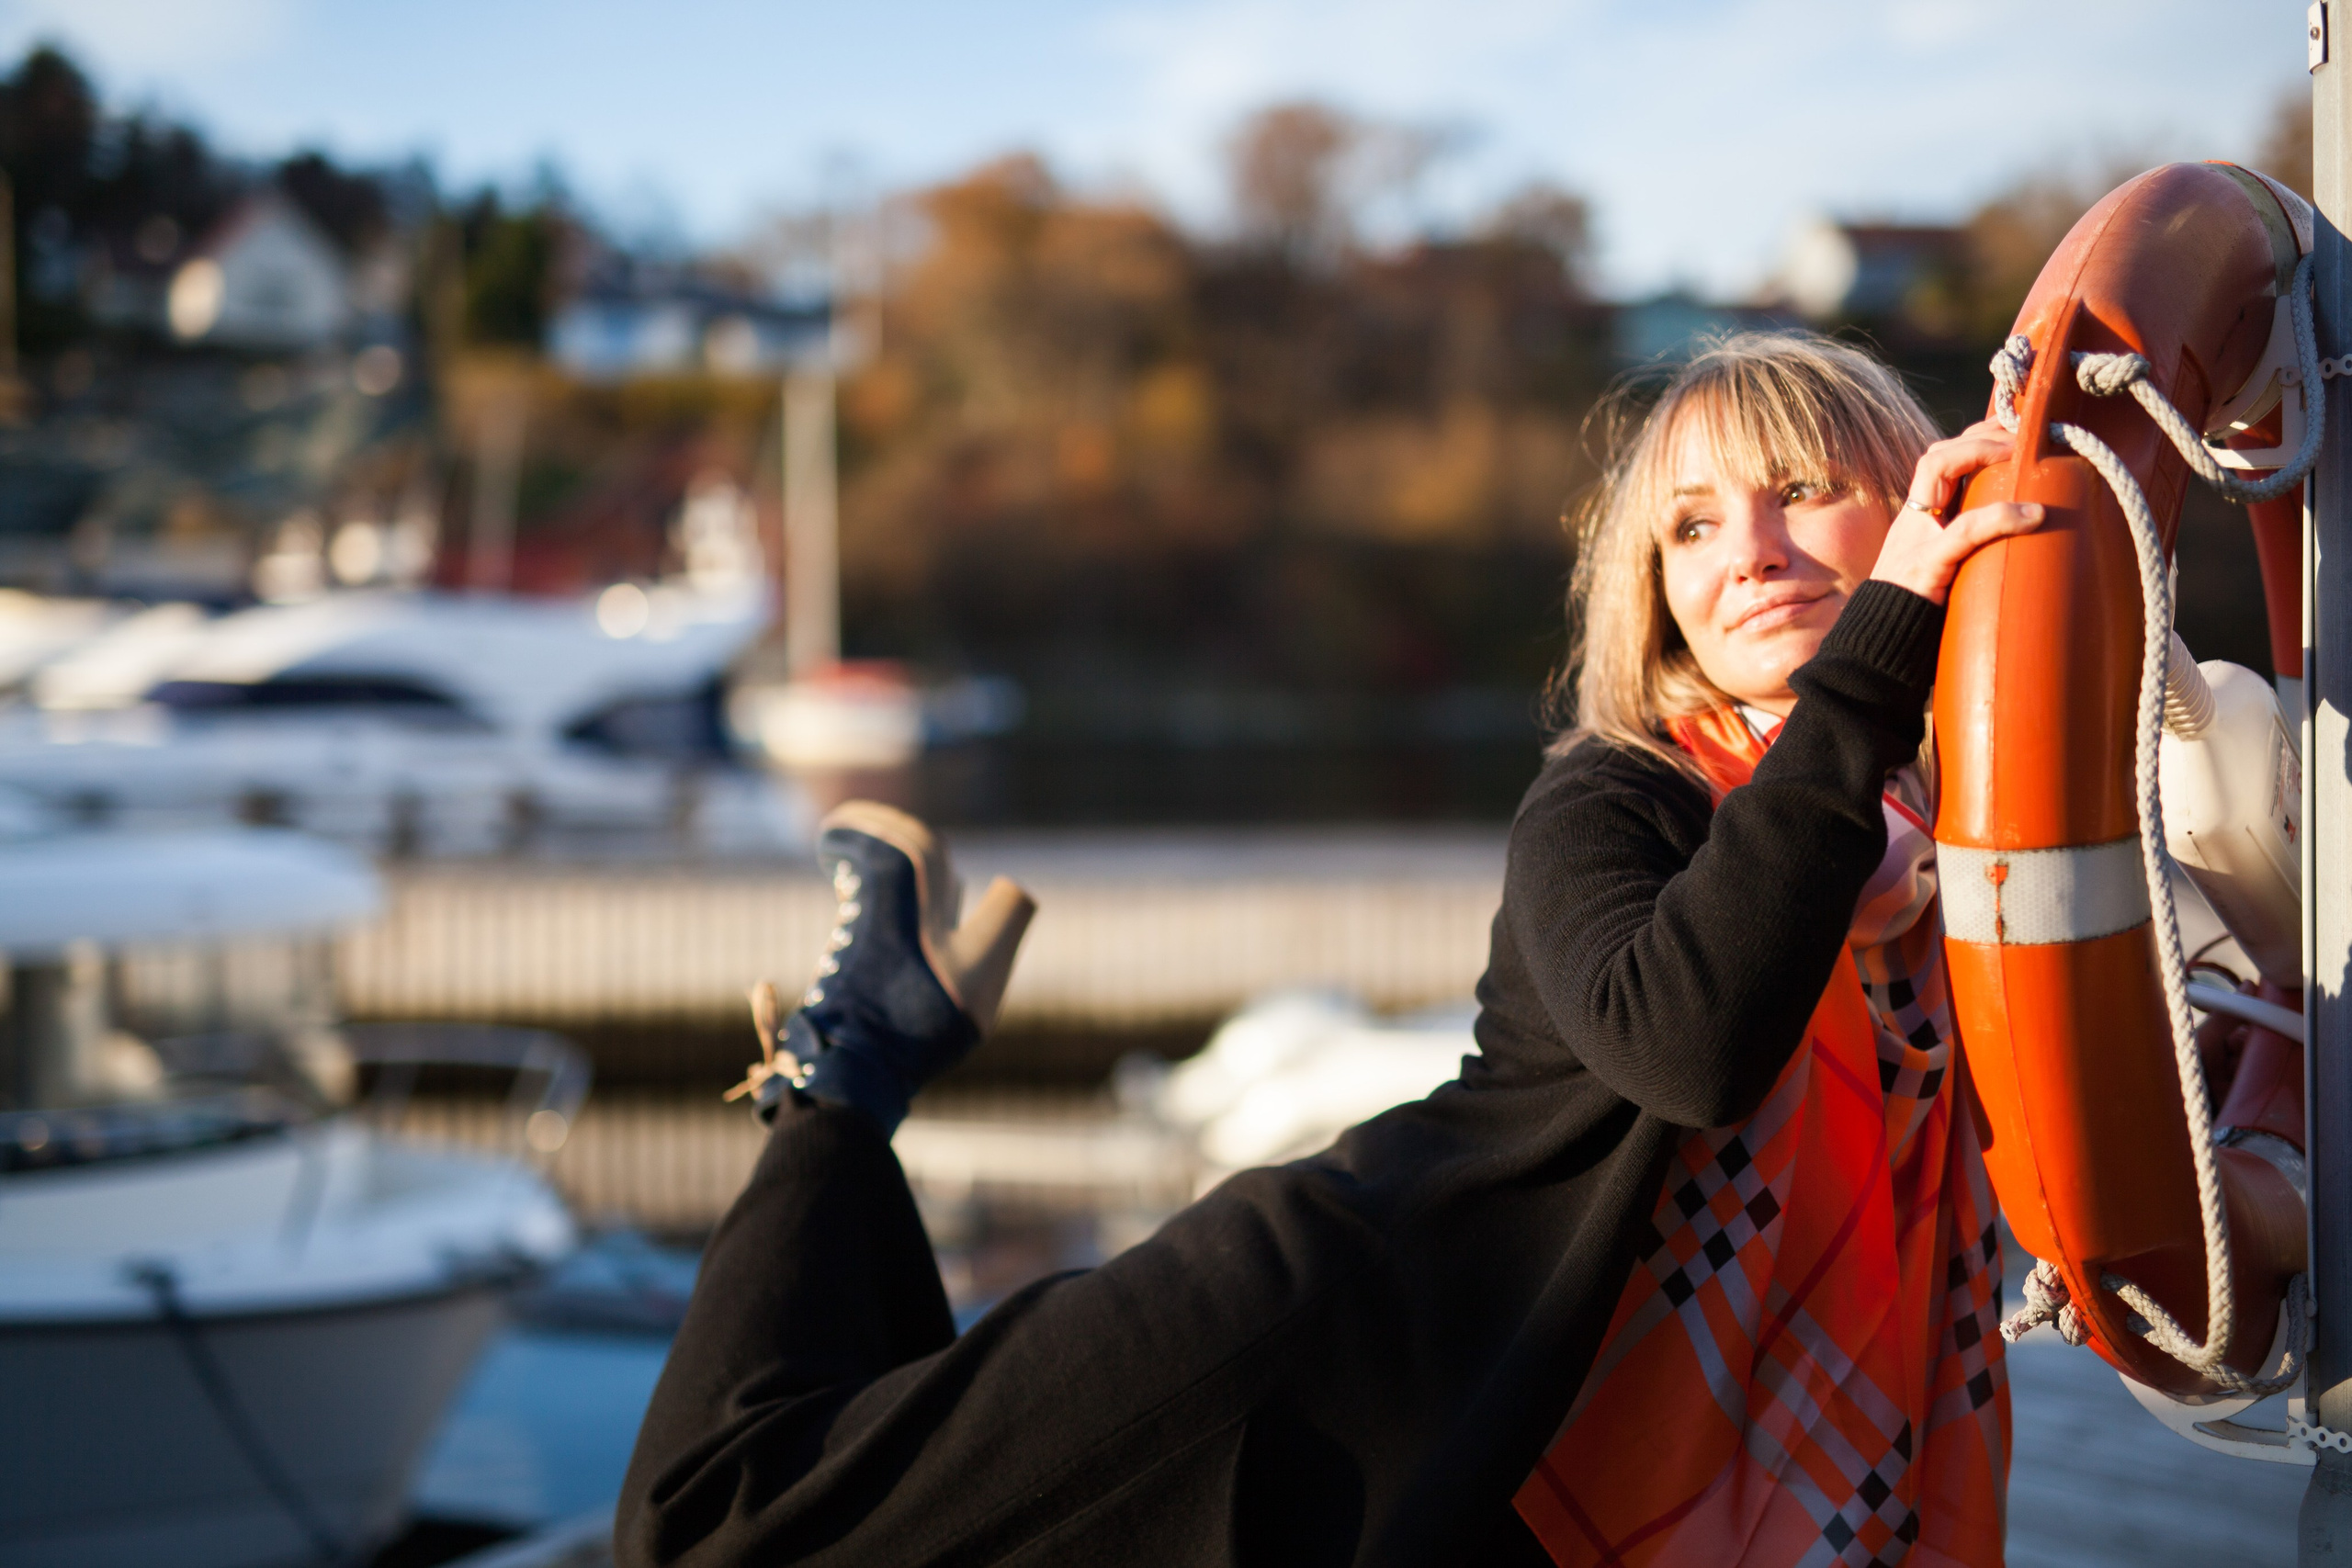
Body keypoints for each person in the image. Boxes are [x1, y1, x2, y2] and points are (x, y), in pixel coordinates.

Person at [616, 333, 2044, 1568]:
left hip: (1470, 1474)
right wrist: (1872, 664)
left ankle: (878, 1050)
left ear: (1921, 515)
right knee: (723, 1536)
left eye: (1803, 491)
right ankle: (848, 1073)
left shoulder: (1966, 863)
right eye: (1690, 525)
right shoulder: (1615, 793)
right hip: (1303, 1348)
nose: (1748, 551)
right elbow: (1694, 1043)